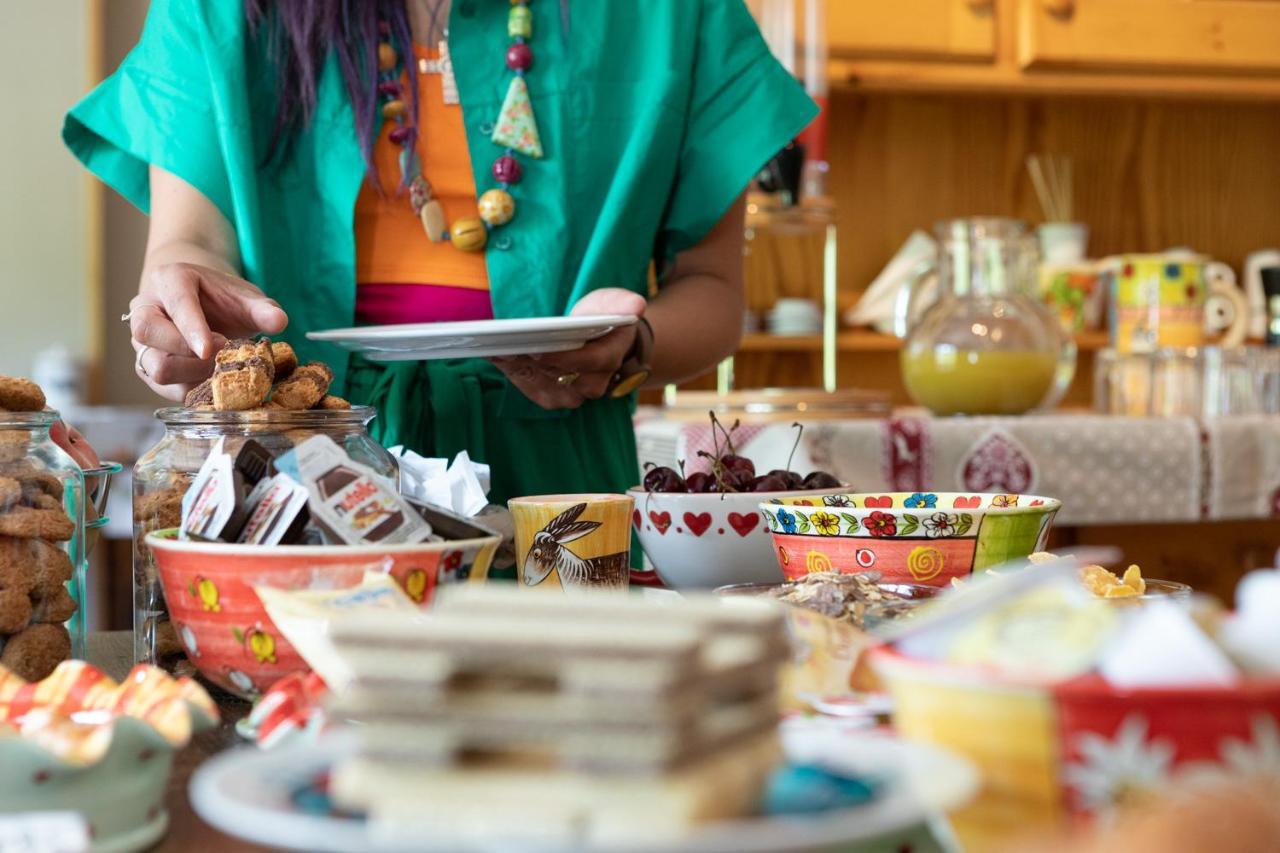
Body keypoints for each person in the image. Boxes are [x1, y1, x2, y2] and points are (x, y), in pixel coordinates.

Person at [65, 0, 816, 504]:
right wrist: (188, 310)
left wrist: (633, 341)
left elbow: (713, 287)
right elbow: (188, 243)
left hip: (560, 499)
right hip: (291, 487)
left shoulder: (677, 15)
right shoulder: (221, 12)